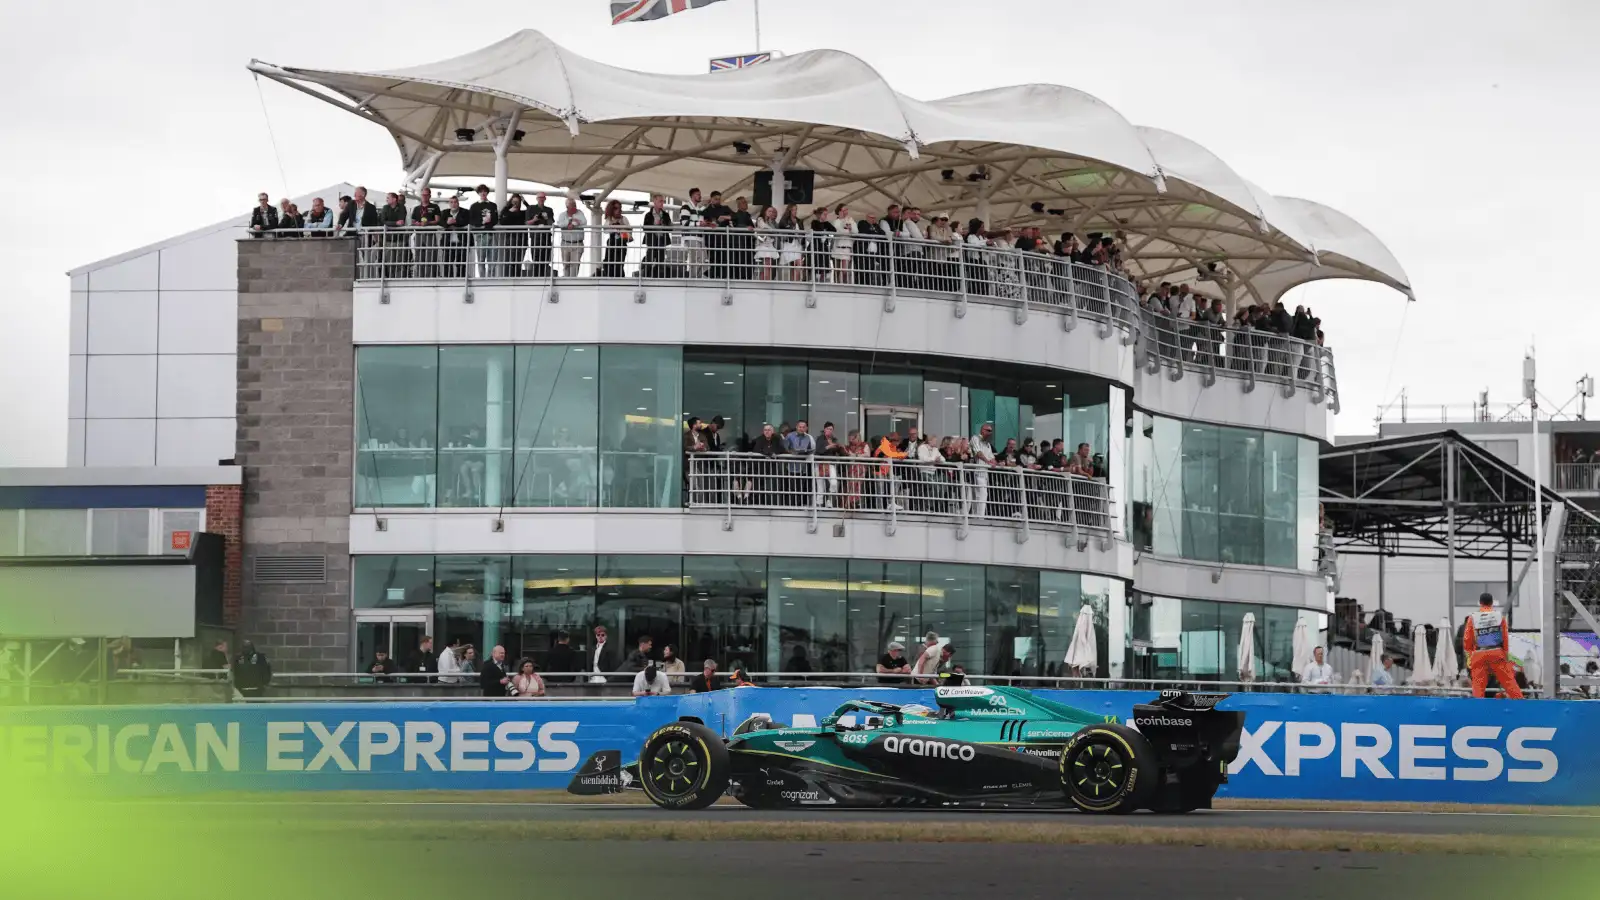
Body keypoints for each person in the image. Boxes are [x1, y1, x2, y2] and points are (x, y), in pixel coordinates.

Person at [1464, 592, 1523, 699]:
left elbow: (1468, 639)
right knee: (1508, 681)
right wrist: (1505, 654)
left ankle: (1478, 706)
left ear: (1480, 603)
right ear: (1492, 603)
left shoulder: (1472, 618)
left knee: (1478, 685)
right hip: (1496, 652)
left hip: (1479, 654)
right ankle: (1521, 703)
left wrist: (1469, 654)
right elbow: (1504, 637)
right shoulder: (1499, 616)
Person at [556, 197, 588, 277]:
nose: (574, 207)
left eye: (575, 205)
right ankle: (566, 280)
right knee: (566, 264)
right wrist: (569, 222)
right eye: (572, 205)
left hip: (577, 243)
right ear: (567, 207)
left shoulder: (580, 213)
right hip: (565, 243)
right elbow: (560, 224)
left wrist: (575, 223)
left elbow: (584, 222)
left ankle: (573, 281)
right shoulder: (562, 215)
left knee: (575, 264)